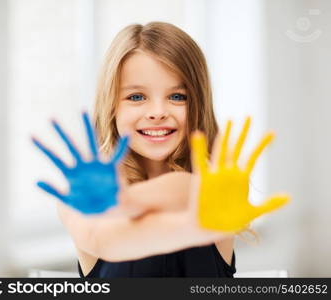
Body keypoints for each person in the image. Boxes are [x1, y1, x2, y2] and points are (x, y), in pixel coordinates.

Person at [33, 22, 289, 278]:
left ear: (199, 105)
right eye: (136, 97)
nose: (157, 112)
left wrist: (127, 202)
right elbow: (105, 240)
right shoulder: (80, 197)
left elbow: (183, 190)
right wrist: (118, 206)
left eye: (178, 97)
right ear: (111, 106)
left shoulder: (213, 189)